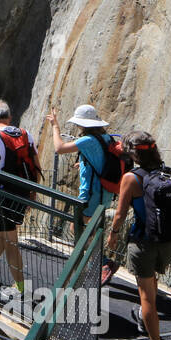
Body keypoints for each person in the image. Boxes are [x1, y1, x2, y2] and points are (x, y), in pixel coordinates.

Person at [106, 131, 171, 340]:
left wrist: (113, 234)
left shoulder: (131, 178)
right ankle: (146, 318)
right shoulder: (169, 174)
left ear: (133, 154)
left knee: (147, 298)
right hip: (168, 242)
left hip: (143, 243)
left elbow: (121, 214)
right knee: (151, 284)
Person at [49, 104, 128, 283]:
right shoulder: (106, 137)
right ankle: (96, 263)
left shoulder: (88, 140)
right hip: (104, 193)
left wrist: (55, 125)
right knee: (87, 229)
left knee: (77, 228)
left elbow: (59, 148)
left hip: (91, 194)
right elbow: (101, 160)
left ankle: (100, 263)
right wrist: (83, 163)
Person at [0, 100, 40, 303]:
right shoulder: (25, 134)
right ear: (10, 117)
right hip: (21, 192)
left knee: (11, 241)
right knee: (3, 235)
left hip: (2, 195)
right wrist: (32, 192)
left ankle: (20, 288)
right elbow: (36, 164)